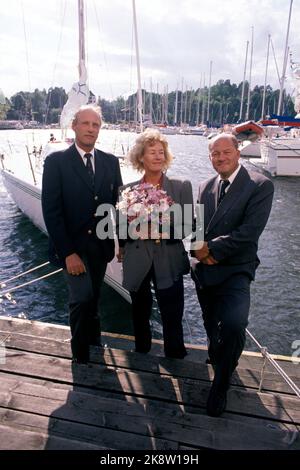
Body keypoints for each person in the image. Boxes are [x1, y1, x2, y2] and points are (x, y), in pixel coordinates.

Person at [191, 133, 274, 417]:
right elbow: (196, 226)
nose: (221, 158)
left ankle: (221, 385)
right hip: (204, 271)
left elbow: (250, 232)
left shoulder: (260, 185)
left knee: (235, 324)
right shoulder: (204, 186)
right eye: (215, 154)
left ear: (238, 152)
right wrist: (197, 249)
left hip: (237, 270)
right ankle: (219, 357)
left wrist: (210, 249)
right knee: (210, 324)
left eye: (226, 152)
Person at [42, 105, 122, 364]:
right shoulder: (56, 162)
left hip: (101, 247)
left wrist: (122, 241)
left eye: (95, 125)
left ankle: (94, 345)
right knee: (81, 298)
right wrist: (68, 253)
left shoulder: (111, 162)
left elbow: (117, 207)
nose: (90, 129)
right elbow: (51, 211)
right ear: (74, 125)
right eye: (85, 123)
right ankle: (81, 358)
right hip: (71, 248)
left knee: (94, 299)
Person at [117, 129, 193, 359]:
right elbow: (121, 229)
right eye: (152, 152)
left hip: (169, 260)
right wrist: (124, 242)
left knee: (172, 314)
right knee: (139, 314)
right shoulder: (126, 190)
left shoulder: (181, 186)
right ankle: (141, 356)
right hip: (137, 259)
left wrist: (155, 230)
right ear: (141, 157)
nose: (158, 156)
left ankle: (176, 358)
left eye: (162, 152)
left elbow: (188, 226)